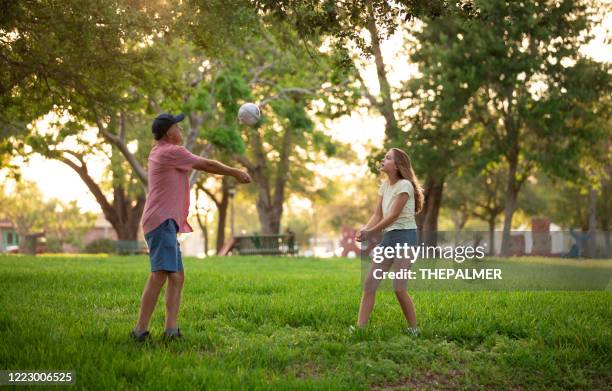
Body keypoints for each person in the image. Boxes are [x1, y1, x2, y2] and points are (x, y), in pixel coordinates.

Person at [131, 113, 251, 342]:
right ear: (169, 132)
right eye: (178, 127)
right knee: (159, 275)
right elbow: (206, 164)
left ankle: (171, 331)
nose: (182, 130)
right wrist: (235, 172)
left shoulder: (159, 151)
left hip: (162, 221)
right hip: (160, 221)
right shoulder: (171, 152)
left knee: (177, 277)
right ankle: (139, 331)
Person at [354, 148, 424, 336]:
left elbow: (392, 216)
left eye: (388, 157)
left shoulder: (405, 185)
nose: (383, 160)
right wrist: (365, 229)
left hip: (405, 237)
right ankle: (360, 329)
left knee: (399, 288)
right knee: (370, 284)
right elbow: (378, 214)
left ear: (397, 165)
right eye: (384, 157)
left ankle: (414, 329)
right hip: (389, 238)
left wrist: (370, 233)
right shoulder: (384, 186)